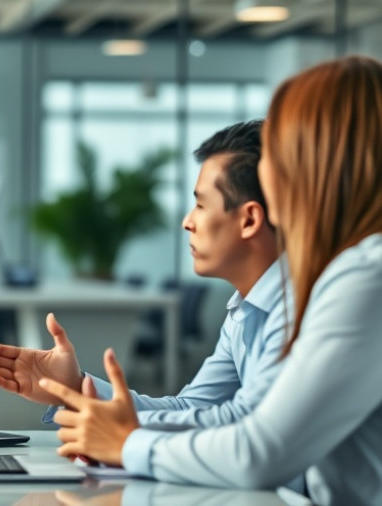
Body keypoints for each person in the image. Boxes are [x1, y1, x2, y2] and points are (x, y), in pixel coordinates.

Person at [38, 55, 382, 505]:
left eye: (282, 153)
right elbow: (216, 415)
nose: (271, 174)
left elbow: (259, 448)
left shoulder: (363, 278)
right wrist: (83, 395)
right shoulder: (343, 273)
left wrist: (126, 444)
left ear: (319, 161)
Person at [0, 119, 286, 430]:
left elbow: (250, 438)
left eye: (201, 205)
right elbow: (190, 410)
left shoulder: (299, 313)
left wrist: (120, 439)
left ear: (249, 220)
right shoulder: (243, 311)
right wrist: (76, 387)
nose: (187, 222)